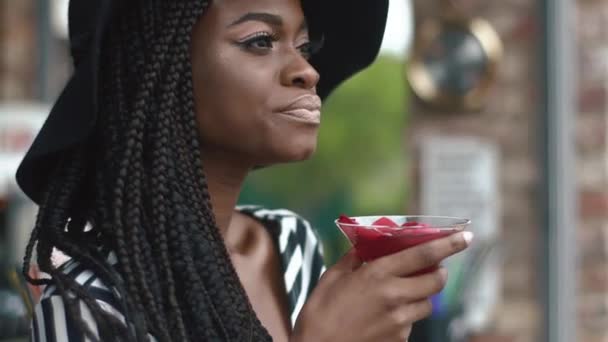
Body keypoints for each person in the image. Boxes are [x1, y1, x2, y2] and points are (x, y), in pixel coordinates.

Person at [16, 0, 473, 341]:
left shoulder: (290, 244)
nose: (307, 71)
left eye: (305, 46)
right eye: (260, 41)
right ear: (161, 71)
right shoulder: (89, 306)